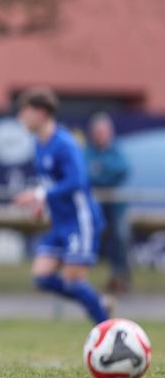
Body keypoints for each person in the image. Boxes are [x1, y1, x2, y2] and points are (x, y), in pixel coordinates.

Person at [13, 87, 109, 324]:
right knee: (42, 277)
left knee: (74, 281)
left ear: (41, 113)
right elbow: (52, 184)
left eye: (24, 112)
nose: (20, 118)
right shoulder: (39, 143)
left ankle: (109, 329)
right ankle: (98, 303)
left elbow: (77, 181)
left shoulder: (65, 143)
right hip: (60, 223)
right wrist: (41, 205)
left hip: (80, 220)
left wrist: (39, 194)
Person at [86, 112, 131, 294]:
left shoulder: (117, 150)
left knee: (120, 237)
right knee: (87, 237)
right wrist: (103, 174)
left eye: (103, 131)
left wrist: (99, 172)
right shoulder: (88, 151)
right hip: (94, 206)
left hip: (115, 206)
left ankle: (120, 277)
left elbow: (122, 170)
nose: (100, 135)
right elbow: (85, 174)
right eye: (97, 131)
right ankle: (81, 281)